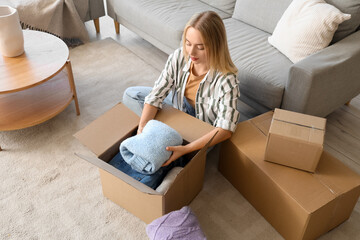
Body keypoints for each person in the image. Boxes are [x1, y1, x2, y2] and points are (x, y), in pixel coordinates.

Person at [123, 11, 239, 167]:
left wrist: (186, 148)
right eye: (188, 43)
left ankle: (172, 145)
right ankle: (160, 134)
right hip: (178, 107)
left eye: (200, 47)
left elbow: (225, 129)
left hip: (200, 126)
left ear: (216, 46)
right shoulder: (179, 57)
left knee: (173, 158)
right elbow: (156, 94)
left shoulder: (227, 80)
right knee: (131, 95)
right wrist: (142, 130)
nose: (191, 52)